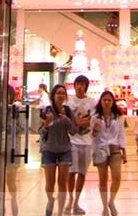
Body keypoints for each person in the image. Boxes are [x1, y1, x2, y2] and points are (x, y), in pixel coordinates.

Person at [40, 84, 78, 216]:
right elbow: (41, 132)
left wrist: (67, 120)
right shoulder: (47, 111)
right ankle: (50, 200)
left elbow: (74, 131)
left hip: (65, 150)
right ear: (53, 96)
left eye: (63, 93)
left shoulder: (68, 111)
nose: (61, 95)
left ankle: (60, 212)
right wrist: (46, 125)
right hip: (49, 150)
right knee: (50, 184)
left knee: (62, 182)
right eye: (58, 93)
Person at [91, 90, 127, 216]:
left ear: (113, 102)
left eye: (109, 100)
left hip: (115, 149)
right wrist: (95, 129)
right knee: (103, 179)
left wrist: (124, 151)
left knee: (117, 177)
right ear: (100, 102)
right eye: (104, 100)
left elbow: (122, 134)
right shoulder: (95, 117)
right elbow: (92, 136)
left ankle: (111, 201)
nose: (106, 102)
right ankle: (104, 206)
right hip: (100, 149)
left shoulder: (118, 117)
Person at [65, 75, 96, 215]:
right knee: (71, 172)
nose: (80, 86)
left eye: (83, 84)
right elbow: (70, 121)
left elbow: (91, 120)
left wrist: (78, 121)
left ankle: (77, 201)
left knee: (82, 173)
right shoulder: (69, 102)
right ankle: (70, 199)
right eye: (78, 83)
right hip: (72, 142)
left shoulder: (92, 102)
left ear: (86, 86)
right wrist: (78, 121)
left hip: (87, 142)